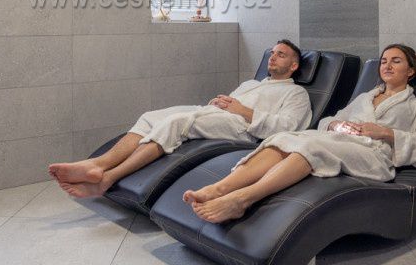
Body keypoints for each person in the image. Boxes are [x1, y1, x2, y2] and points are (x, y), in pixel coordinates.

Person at [183, 43, 416, 223]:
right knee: (282, 138)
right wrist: (335, 125)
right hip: (341, 141)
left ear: (411, 71)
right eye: (384, 61)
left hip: (374, 155)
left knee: (310, 147)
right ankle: (219, 188)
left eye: (396, 61)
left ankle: (242, 199)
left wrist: (387, 133)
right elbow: (330, 120)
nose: (387, 65)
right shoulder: (365, 97)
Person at [49, 40, 312, 198]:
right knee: (151, 117)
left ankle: (108, 177)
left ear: (294, 66)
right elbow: (231, 104)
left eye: (281, 54)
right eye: (272, 52)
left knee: (177, 123)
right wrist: (219, 103)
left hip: (245, 129)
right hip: (216, 114)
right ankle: (98, 164)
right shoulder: (250, 84)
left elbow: (288, 128)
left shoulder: (296, 93)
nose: (273, 57)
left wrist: (243, 111)